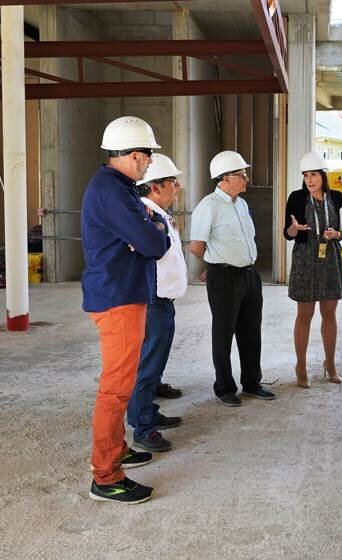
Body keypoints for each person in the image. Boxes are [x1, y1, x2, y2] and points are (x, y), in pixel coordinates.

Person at [81, 116, 168, 504]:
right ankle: (106, 476)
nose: (150, 164)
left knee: (123, 383)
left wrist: (150, 229)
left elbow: (146, 232)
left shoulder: (119, 187)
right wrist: (157, 231)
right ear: (134, 155)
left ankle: (117, 452)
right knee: (115, 390)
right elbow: (153, 243)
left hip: (121, 293)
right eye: (148, 157)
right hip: (117, 298)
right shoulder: (114, 192)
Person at [189, 151, 275, 407]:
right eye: (241, 174)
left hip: (250, 275)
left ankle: (251, 382)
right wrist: (213, 264)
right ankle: (225, 387)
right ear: (224, 178)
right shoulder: (209, 206)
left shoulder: (241, 204)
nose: (246, 178)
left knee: (251, 331)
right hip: (224, 277)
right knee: (223, 332)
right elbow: (196, 246)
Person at [126, 154, 187, 453]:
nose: (178, 187)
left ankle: (145, 412)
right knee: (147, 365)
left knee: (154, 362)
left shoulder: (157, 214)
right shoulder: (145, 216)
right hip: (153, 300)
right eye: (173, 182)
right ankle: (143, 428)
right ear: (155, 187)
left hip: (163, 299)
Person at [283, 151, 342, 387]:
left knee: (329, 314)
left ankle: (330, 364)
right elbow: (287, 234)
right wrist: (295, 229)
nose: (309, 180)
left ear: (323, 176)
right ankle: (300, 366)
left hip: (330, 259)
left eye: (313, 175)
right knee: (305, 315)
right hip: (305, 260)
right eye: (305, 175)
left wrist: (336, 234)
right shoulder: (297, 198)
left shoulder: (338, 198)